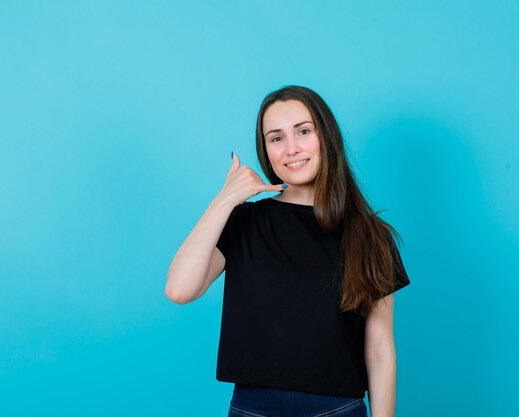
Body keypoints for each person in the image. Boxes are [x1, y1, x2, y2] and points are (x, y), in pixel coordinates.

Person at [165, 85, 411, 417]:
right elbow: (180, 289)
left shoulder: (369, 235)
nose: (291, 149)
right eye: (276, 138)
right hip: (253, 410)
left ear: (326, 137)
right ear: (265, 150)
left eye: (303, 131)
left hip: (339, 410)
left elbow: (380, 350)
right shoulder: (245, 221)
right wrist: (224, 200)